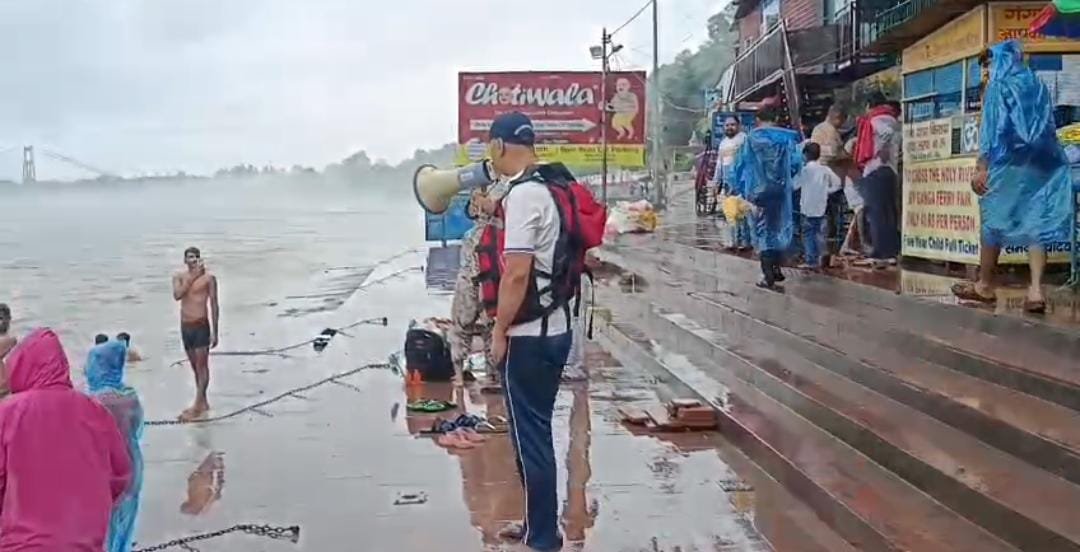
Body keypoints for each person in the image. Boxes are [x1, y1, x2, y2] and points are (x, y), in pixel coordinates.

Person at [487, 112, 574, 552]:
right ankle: (535, 523)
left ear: (499, 146)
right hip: (557, 327)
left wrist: (499, 329)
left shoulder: (523, 195)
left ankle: (542, 538)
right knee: (532, 433)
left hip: (529, 336)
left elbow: (517, 272)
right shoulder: (556, 187)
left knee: (531, 439)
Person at [952, 40, 1073, 313]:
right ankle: (1036, 290)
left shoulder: (998, 86)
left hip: (1009, 163)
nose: (986, 70)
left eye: (988, 64)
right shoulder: (1037, 85)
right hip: (1042, 164)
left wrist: (982, 166)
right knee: (1035, 223)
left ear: (1000, 61)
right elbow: (1048, 124)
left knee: (992, 221)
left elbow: (993, 130)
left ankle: (985, 285)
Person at [0, 328, 132, 551]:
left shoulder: (8, 412)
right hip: (84, 541)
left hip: (22, 544)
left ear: (21, 366)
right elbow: (120, 474)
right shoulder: (96, 411)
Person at [732, 107, 804, 289]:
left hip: (758, 191)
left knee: (762, 230)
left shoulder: (751, 139)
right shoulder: (787, 139)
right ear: (777, 118)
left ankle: (767, 274)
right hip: (781, 191)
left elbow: (740, 164)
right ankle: (776, 267)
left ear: (758, 120)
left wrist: (737, 187)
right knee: (778, 227)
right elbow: (796, 163)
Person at [86, 339, 144, 552]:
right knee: (125, 520)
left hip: (104, 470)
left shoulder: (93, 401)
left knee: (102, 524)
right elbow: (137, 430)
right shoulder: (130, 396)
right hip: (132, 465)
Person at [448, 178, 509, 383]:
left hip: (493, 260)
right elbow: (471, 212)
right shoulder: (484, 181)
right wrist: (475, 202)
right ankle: (458, 372)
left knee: (491, 318)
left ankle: (494, 373)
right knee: (462, 316)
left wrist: (489, 205)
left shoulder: (513, 185)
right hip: (472, 260)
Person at [853, 92, 902, 267]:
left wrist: (881, 150)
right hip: (891, 171)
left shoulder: (875, 120)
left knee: (876, 213)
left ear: (869, 105)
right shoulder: (893, 120)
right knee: (888, 212)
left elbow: (884, 135)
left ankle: (881, 253)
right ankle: (891, 252)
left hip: (875, 170)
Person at [172, 246, 219, 421]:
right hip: (186, 326)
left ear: (199, 259)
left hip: (201, 325)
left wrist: (215, 331)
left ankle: (197, 405)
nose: (192, 260)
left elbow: (214, 304)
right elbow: (177, 295)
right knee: (194, 367)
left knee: (202, 366)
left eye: (195, 257)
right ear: (185, 260)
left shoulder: (209, 279)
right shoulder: (179, 277)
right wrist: (192, 277)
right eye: (189, 257)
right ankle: (203, 402)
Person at [794, 143, 843, 269]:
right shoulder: (825, 170)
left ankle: (811, 260)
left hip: (807, 207)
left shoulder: (804, 170)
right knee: (820, 233)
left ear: (805, 155)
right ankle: (822, 256)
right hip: (821, 207)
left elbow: (794, 185)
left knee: (808, 234)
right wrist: (827, 191)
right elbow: (838, 184)